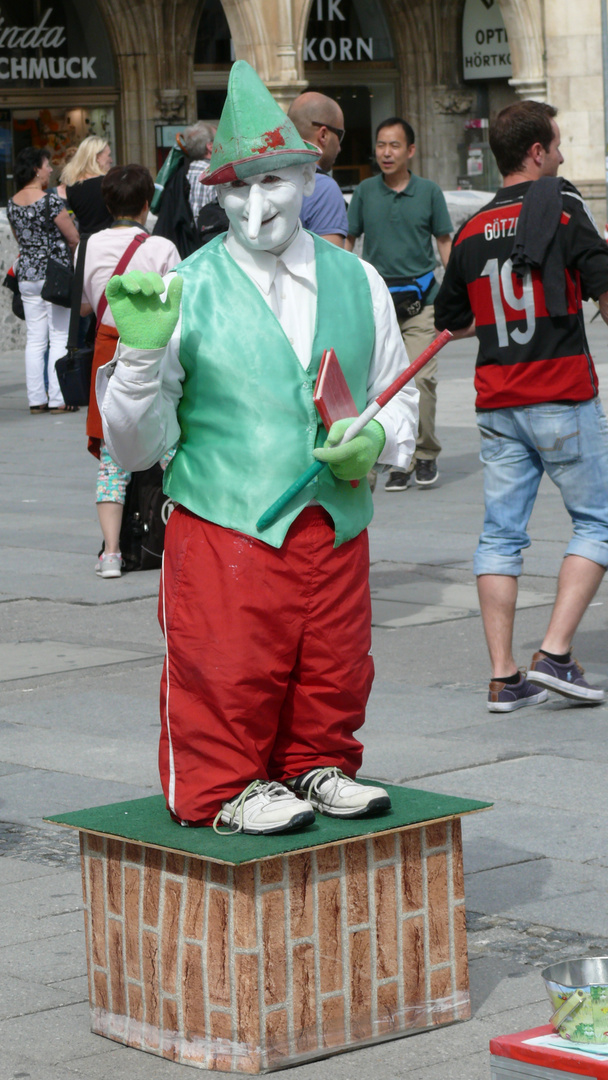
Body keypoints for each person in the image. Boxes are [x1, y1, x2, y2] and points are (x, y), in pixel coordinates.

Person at [98, 61, 419, 834]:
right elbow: (135, 447)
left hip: (333, 529)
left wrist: (377, 437)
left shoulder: (358, 280)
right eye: (234, 187)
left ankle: (317, 761)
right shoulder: (188, 285)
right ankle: (223, 787)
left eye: (271, 181)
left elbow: (395, 389)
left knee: (334, 663)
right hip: (224, 525)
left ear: (308, 175)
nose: (252, 205)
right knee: (225, 666)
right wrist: (139, 359)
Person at [434, 99, 608, 711]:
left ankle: (504, 676)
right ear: (536, 152)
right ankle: (556, 654)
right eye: (556, 146)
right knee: (599, 520)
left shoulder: (472, 229)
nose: (561, 156)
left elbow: (452, 319)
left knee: (500, 537)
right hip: (560, 392)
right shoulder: (562, 207)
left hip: (498, 400)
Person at [78, 164, 180, 578]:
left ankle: (112, 554)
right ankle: (176, 536)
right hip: (151, 349)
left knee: (111, 455)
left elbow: (87, 301)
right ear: (145, 205)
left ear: (106, 203)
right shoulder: (161, 247)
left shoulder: (87, 246)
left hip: (107, 348)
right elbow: (177, 297)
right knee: (171, 446)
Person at [346, 118, 453, 491]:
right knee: (380, 384)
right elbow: (348, 243)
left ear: (410, 150)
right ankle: (397, 460)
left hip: (422, 303)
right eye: (380, 145)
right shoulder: (364, 192)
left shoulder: (428, 192)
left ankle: (424, 455)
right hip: (377, 306)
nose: (386, 153)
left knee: (420, 379)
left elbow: (443, 242)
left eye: (394, 145)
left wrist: (456, 289)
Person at [6, 146, 80, 413]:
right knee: (58, 335)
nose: (50, 169)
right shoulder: (49, 201)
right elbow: (72, 237)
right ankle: (59, 398)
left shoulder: (12, 202)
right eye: (47, 165)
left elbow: (19, 238)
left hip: (27, 274)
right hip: (55, 274)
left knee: (35, 338)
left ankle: (36, 399)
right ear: (37, 169)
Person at [287, 91, 348, 246]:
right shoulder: (324, 189)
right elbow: (332, 264)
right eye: (339, 135)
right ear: (323, 135)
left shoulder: (264, 178)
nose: (340, 147)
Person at [153, 121, 216, 258]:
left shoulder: (178, 174)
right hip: (211, 252)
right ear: (210, 146)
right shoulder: (213, 177)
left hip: (184, 253)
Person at [62, 136, 114, 234]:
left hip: (86, 242)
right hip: (108, 240)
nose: (111, 160)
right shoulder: (107, 183)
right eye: (108, 155)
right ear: (97, 157)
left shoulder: (71, 186)